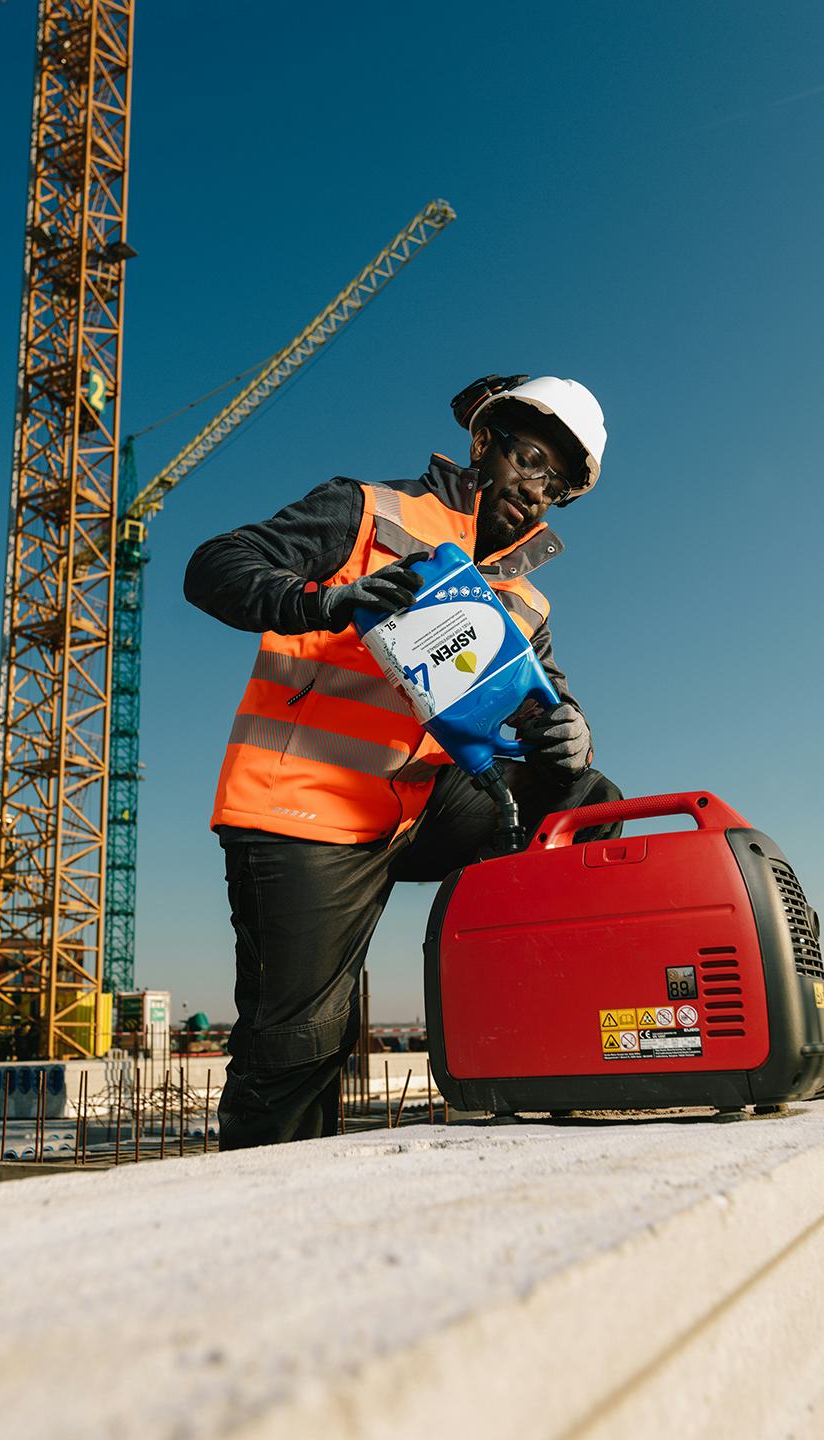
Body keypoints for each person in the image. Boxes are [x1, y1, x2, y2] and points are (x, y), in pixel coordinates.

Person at [184, 374, 624, 1148]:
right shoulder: (365, 510)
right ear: (483, 444)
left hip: (420, 808)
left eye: (555, 483)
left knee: (586, 795)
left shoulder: (525, 600)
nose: (537, 490)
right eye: (529, 460)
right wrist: (322, 603)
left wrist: (570, 731)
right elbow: (215, 565)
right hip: (307, 808)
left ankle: (544, 1025)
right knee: (300, 1044)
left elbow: (546, 699)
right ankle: (271, 1220)